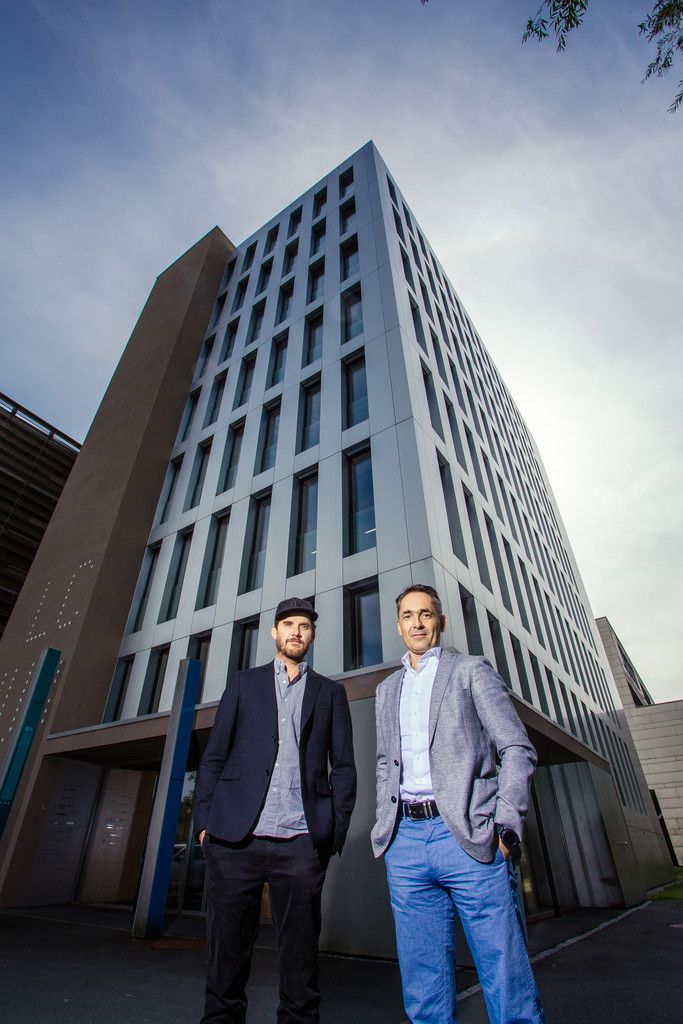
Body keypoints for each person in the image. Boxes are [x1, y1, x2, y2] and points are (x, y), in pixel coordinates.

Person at [371, 583, 545, 1024]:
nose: (417, 623)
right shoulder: (386, 690)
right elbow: (384, 763)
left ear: (441, 621)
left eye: (426, 614)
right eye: (408, 615)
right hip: (405, 843)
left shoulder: (471, 672)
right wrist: (385, 828)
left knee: (504, 972)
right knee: (423, 983)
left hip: (469, 837)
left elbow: (516, 749)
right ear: (397, 625)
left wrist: (506, 824)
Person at [194, 597, 357, 1024]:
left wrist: (332, 832)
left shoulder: (330, 693)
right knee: (225, 959)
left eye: (304, 625)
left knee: (300, 965)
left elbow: (343, 768)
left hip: (301, 843)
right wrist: (204, 824)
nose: (296, 632)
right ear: (275, 632)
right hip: (234, 840)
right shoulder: (244, 684)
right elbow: (214, 756)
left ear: (312, 635)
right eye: (289, 624)